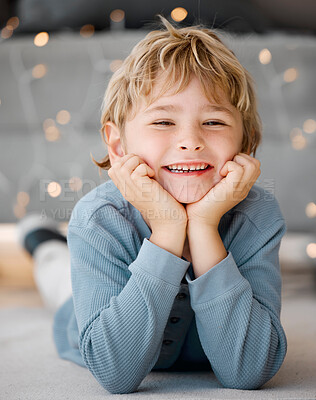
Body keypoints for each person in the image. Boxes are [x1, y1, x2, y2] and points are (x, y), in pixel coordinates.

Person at [18, 16, 287, 394]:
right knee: (58, 275)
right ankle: (41, 240)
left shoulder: (258, 216)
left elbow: (248, 370)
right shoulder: (99, 219)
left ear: (245, 144)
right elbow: (116, 373)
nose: (191, 141)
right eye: (163, 121)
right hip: (79, 310)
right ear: (117, 145)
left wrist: (204, 228)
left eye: (213, 121)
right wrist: (167, 230)